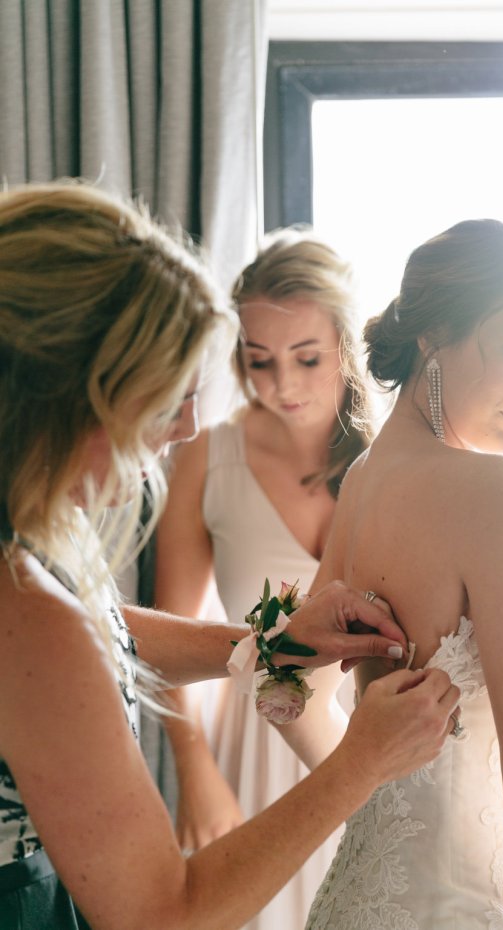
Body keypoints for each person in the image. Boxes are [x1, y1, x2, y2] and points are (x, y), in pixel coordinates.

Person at [0, 181, 463, 930]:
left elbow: (97, 630)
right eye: (164, 396)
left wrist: (264, 646)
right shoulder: (23, 608)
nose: (187, 427)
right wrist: (361, 763)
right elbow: (162, 912)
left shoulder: (27, 547)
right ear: (64, 390)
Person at [305, 219, 503, 930]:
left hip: (351, 905)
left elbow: (289, 682)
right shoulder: (495, 494)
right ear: (433, 334)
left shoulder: (363, 481)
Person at [154, 227, 373, 929]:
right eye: (258, 361)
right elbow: (164, 641)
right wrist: (197, 778)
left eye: (307, 359)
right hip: (249, 754)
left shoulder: (392, 463)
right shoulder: (206, 458)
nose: (283, 386)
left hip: (373, 748)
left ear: (345, 344)